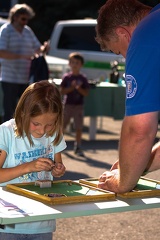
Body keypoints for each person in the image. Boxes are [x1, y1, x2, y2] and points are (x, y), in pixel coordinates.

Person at [96, 0, 160, 193]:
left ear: (123, 33)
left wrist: (121, 182)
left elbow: (139, 130)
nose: (126, 58)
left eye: (120, 52)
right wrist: (137, 164)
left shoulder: (145, 34)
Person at [0, 80, 66, 240]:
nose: (42, 130)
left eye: (49, 124)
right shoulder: (6, 132)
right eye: (36, 123)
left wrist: (58, 170)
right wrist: (28, 167)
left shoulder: (54, 134)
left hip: (42, 222)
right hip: (9, 223)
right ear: (23, 112)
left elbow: (59, 167)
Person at [0, 4, 48, 122]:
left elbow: (37, 48)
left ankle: (21, 137)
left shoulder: (27, 31)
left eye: (27, 19)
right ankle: (6, 139)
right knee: (9, 111)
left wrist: (44, 48)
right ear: (15, 17)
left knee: (24, 111)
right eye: (23, 19)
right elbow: (2, 52)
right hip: (9, 78)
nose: (25, 22)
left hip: (25, 78)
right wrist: (22, 57)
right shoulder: (6, 30)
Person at [60, 52, 90, 156]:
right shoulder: (66, 77)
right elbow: (62, 91)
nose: (74, 65)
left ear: (81, 64)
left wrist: (78, 88)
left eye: (77, 62)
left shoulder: (83, 79)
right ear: (69, 64)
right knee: (62, 125)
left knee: (78, 127)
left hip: (79, 106)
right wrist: (72, 88)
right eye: (72, 62)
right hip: (67, 105)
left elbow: (86, 93)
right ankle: (58, 145)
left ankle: (78, 146)